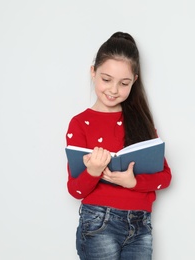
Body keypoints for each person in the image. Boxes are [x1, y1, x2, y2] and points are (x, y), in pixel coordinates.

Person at [65, 31, 172, 260]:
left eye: (123, 83)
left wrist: (133, 182)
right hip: (98, 222)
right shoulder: (79, 123)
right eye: (106, 79)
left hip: (141, 225)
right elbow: (75, 190)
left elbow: (165, 177)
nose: (113, 90)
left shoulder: (142, 123)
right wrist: (93, 171)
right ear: (93, 72)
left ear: (134, 81)